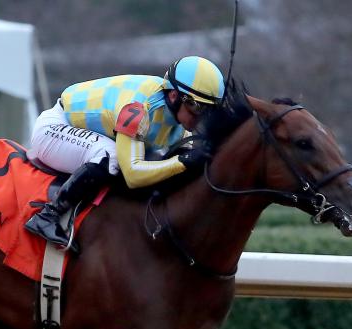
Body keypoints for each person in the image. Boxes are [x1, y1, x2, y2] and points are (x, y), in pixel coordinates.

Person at [25, 55, 225, 248]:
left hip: (86, 132)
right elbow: (133, 174)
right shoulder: (138, 110)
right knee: (110, 156)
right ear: (174, 96)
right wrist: (182, 161)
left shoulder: (177, 119)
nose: (201, 119)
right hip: (54, 128)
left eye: (209, 111)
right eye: (198, 109)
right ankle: (48, 215)